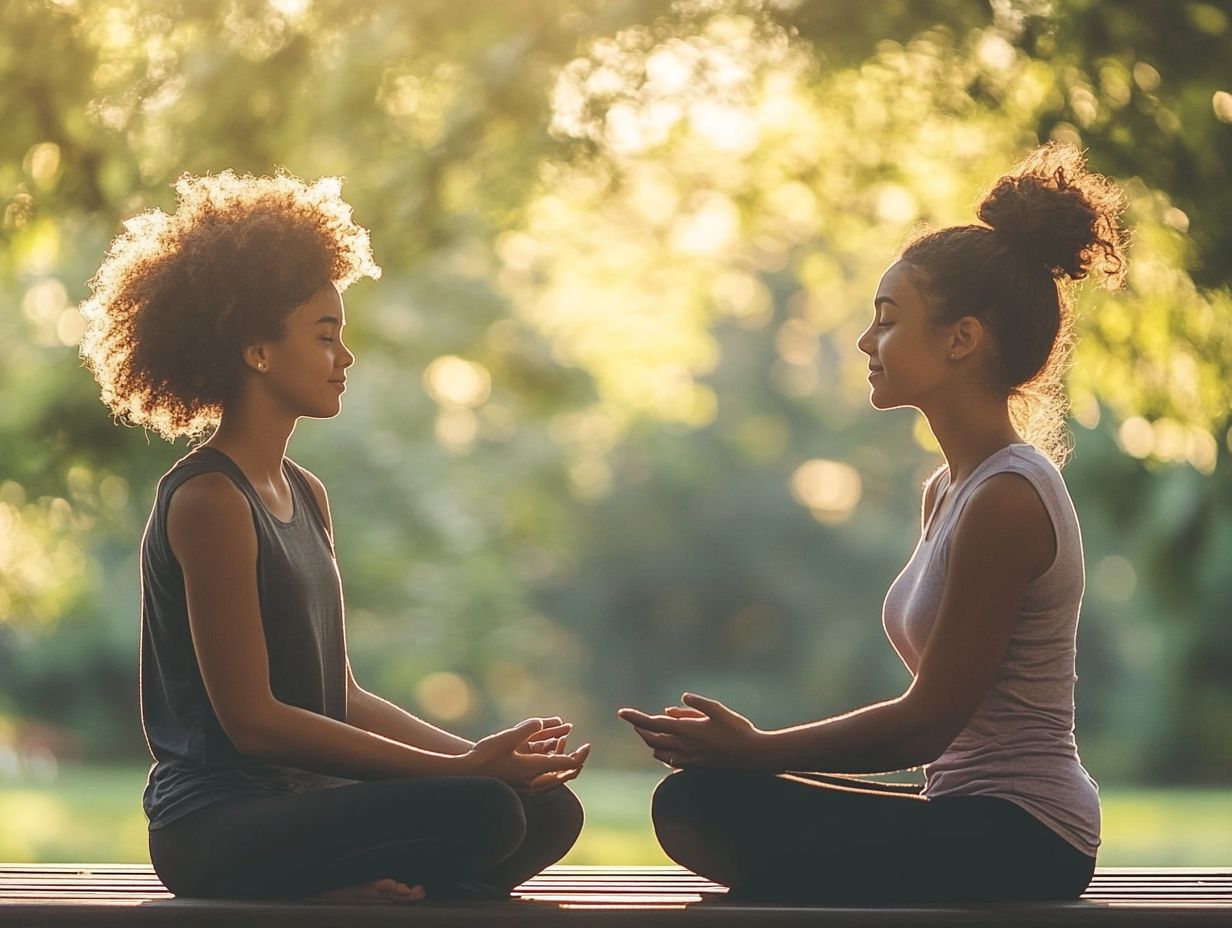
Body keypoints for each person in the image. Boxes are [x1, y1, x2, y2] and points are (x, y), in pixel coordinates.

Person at [619, 143, 1127, 904]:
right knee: (707, 800)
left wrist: (757, 751)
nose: (866, 342)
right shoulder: (950, 490)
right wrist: (752, 759)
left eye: (887, 321)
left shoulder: (1008, 499)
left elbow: (926, 725)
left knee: (704, 806)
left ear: (961, 339)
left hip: (1026, 837)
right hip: (965, 813)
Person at [79, 170, 589, 902]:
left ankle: (355, 890)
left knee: (543, 812)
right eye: (325, 337)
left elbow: (338, 696)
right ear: (256, 350)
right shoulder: (209, 500)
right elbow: (252, 723)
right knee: (482, 811)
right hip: (219, 828)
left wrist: (483, 756)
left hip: (301, 808)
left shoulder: (307, 494)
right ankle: (332, 893)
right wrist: (464, 772)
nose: (344, 358)